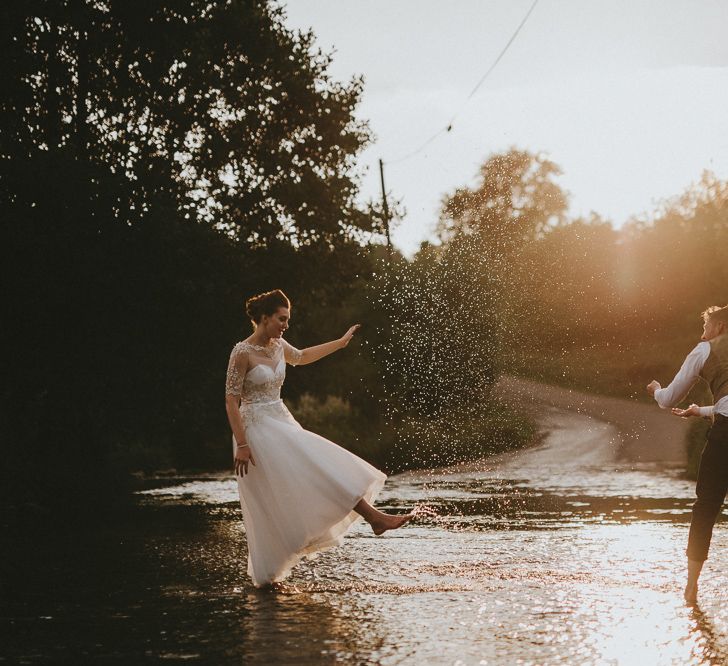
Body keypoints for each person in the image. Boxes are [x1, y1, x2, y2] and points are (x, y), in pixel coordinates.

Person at [224, 289, 412, 587]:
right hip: (256, 433)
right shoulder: (241, 353)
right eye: (281, 319)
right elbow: (231, 401)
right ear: (263, 318)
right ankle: (270, 573)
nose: (285, 325)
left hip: (282, 422)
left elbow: (302, 356)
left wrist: (340, 343)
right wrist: (243, 444)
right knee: (277, 497)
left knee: (314, 475)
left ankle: (373, 518)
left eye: (287, 320)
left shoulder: (277, 345)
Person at [647, 304, 728, 604]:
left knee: (706, 507)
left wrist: (657, 389)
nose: (702, 333)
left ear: (719, 327)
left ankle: (691, 588)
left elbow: (668, 399)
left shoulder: (705, 349)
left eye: (705, 327)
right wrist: (702, 410)